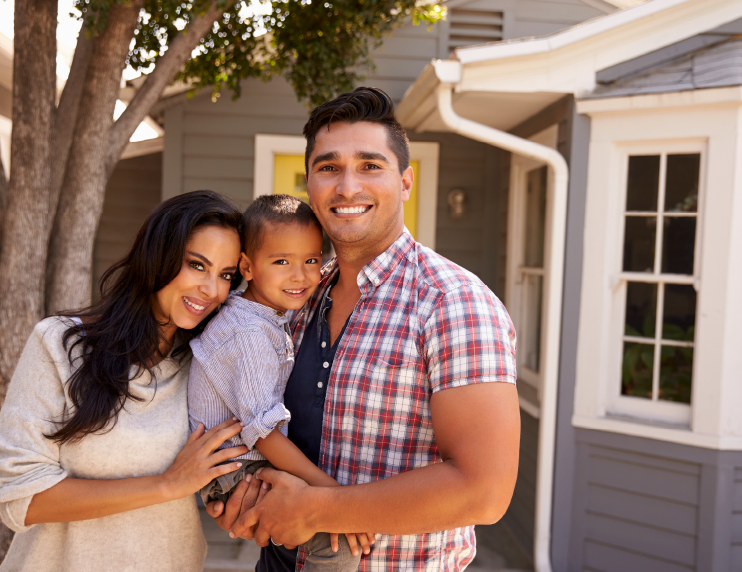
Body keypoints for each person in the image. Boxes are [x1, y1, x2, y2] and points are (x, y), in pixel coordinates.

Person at [209, 87, 521, 572]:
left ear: (405, 182)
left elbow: (484, 490)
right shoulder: (297, 296)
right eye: (328, 167)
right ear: (308, 183)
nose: (347, 186)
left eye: (370, 166)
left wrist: (315, 509)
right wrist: (247, 498)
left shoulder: (452, 303)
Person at [0, 190, 249, 572]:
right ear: (158, 255)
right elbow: (19, 499)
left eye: (226, 275)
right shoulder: (62, 345)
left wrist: (235, 502)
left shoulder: (207, 366)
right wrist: (167, 484)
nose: (212, 290)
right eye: (197, 265)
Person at [187, 194, 363, 572]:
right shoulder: (248, 333)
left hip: (247, 461)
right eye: (281, 261)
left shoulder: (269, 315)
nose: (300, 275)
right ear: (247, 267)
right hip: (234, 471)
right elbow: (263, 433)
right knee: (338, 541)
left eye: (311, 260)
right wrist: (335, 497)